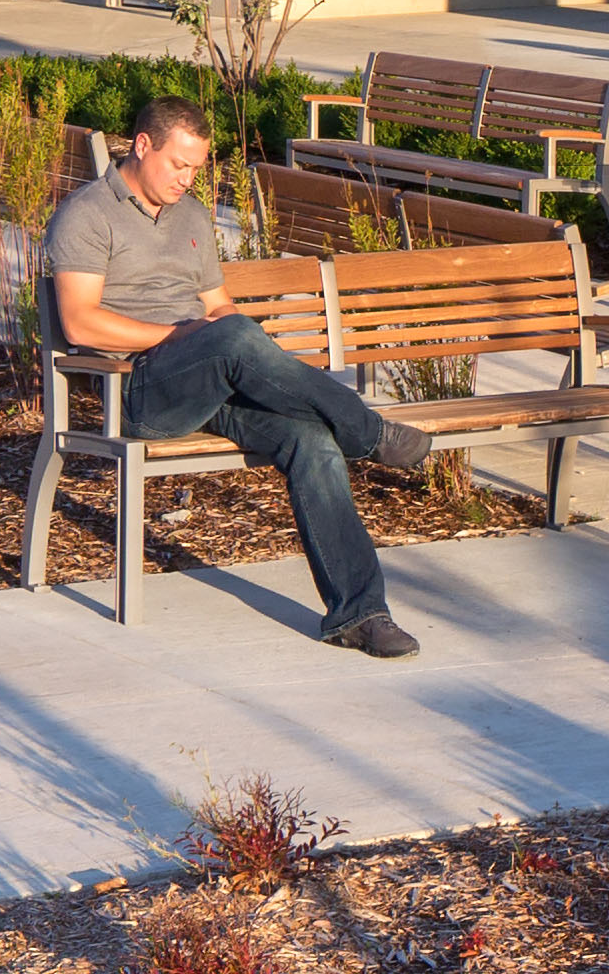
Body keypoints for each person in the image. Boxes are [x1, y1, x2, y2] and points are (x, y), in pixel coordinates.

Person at [40, 95, 440, 657]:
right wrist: (187, 338)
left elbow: (220, 308)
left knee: (311, 440)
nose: (187, 179)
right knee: (228, 338)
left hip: (214, 374)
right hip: (138, 390)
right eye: (178, 165)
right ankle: (371, 434)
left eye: (196, 169)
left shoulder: (192, 216)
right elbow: (81, 323)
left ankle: (359, 614)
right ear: (142, 145)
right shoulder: (86, 215)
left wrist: (245, 346)